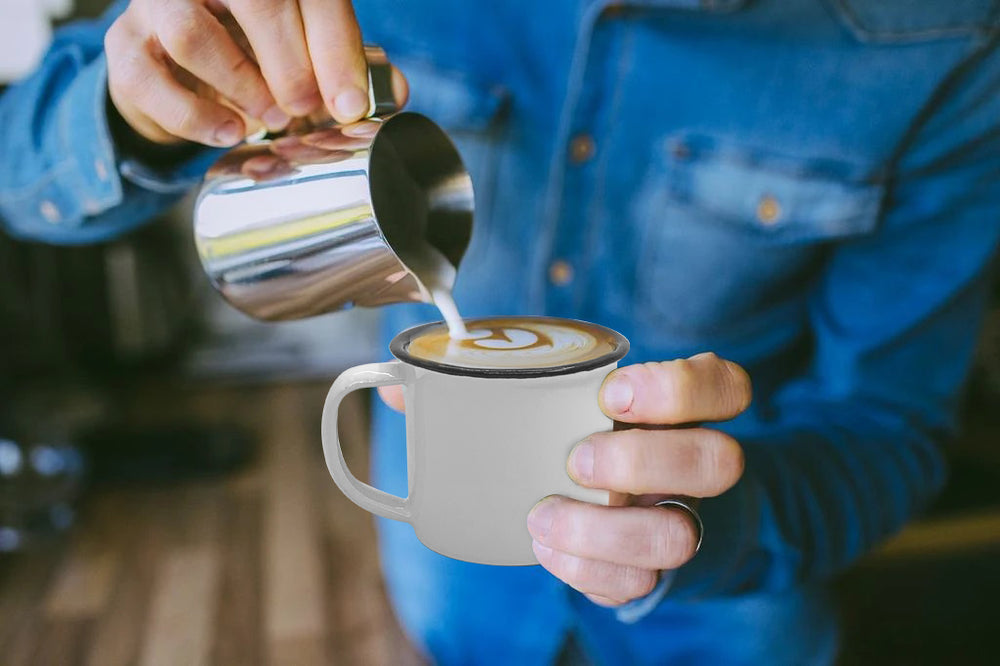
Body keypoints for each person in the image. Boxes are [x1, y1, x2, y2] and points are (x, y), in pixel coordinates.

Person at [2, 1, 999, 664]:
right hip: (452, 586)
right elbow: (20, 172)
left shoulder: (941, 41)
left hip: (734, 610)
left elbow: (888, 423)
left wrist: (720, 521)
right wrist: (135, 109)